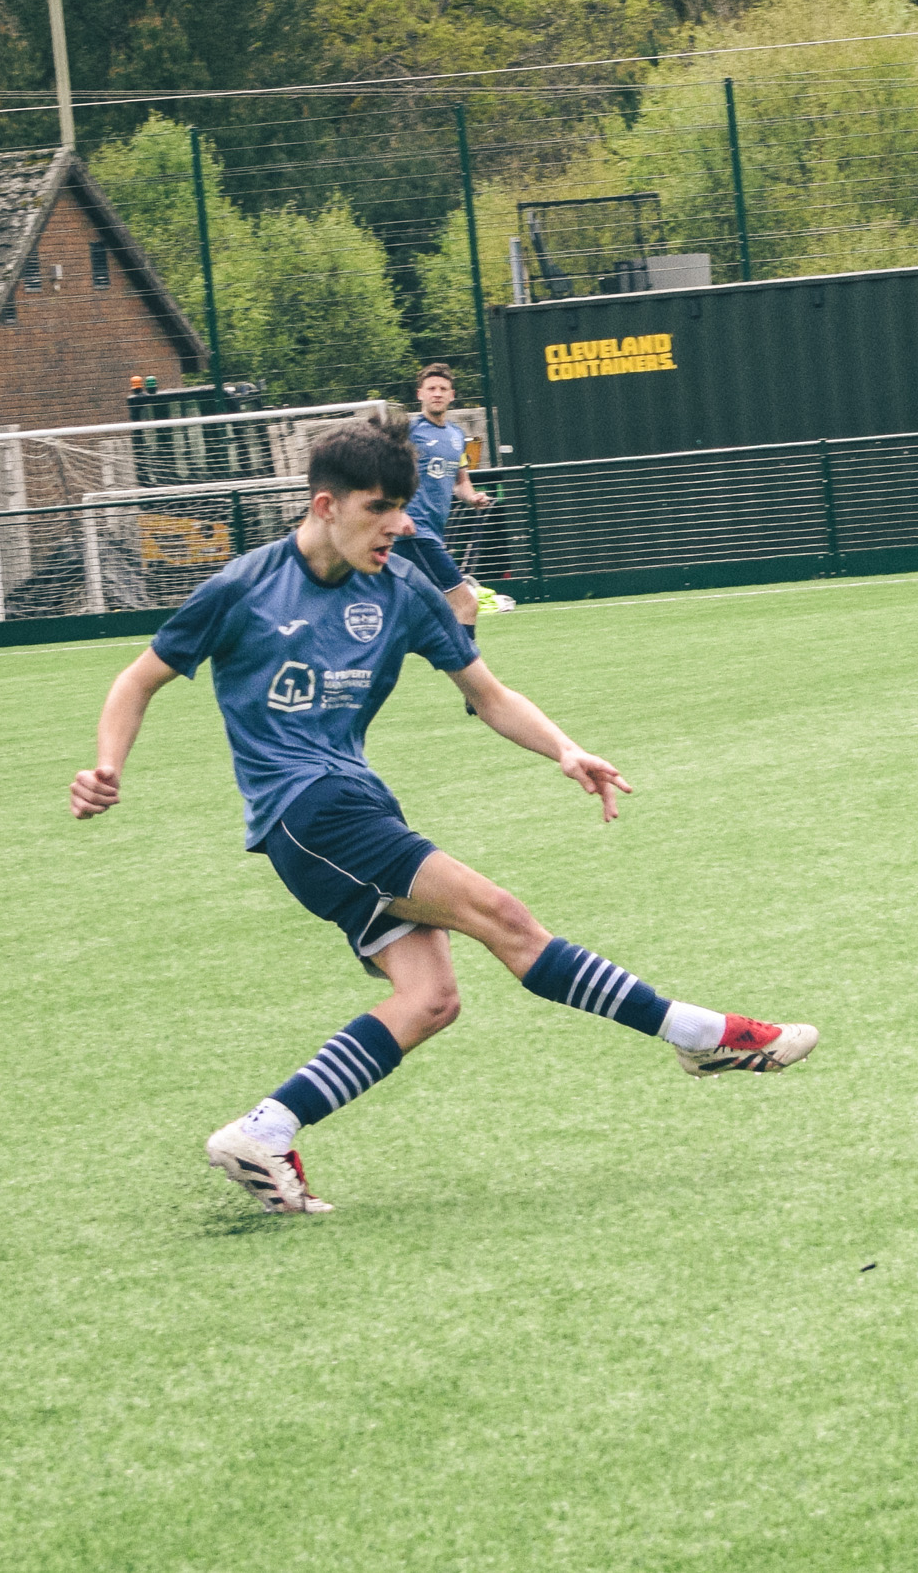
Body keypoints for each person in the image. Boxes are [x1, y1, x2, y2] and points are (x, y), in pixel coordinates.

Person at [68, 420, 815, 1217]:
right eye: (382, 508)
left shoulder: (399, 589)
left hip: (351, 806)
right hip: (308, 812)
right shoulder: (243, 587)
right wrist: (109, 765)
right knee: (504, 918)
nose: (401, 524)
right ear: (326, 505)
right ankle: (701, 1037)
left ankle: (265, 1130)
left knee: (429, 999)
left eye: (405, 506)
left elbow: (487, 693)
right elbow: (136, 680)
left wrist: (564, 750)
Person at [401, 362, 495, 630]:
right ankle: (468, 666)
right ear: (420, 394)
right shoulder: (408, 431)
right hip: (413, 533)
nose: (437, 393)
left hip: (432, 532)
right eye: (431, 388)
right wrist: (397, 513)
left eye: (443, 388)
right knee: (466, 604)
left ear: (452, 395)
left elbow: (460, 481)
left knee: (410, 610)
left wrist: (473, 497)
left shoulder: (456, 435)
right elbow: (381, 472)